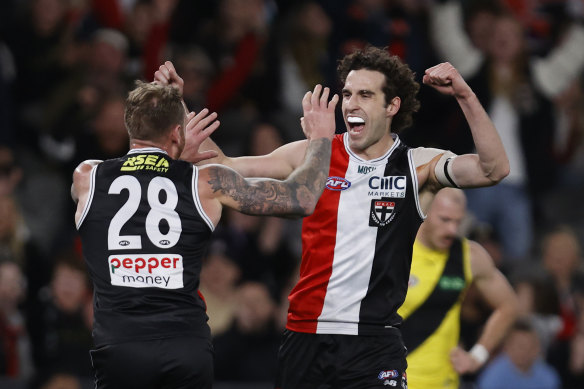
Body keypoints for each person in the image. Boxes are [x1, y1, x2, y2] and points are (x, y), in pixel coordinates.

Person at [157, 44, 509, 388]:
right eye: (348, 93)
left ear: (392, 106)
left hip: (373, 343)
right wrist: (177, 105)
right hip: (305, 336)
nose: (352, 104)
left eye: (366, 95)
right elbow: (221, 166)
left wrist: (464, 95)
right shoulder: (313, 154)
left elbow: (493, 169)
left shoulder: (417, 165)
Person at [71, 77, 338, 389]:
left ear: (129, 126)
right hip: (184, 347)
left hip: (120, 348)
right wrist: (321, 139)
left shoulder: (87, 176)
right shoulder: (205, 182)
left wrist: (174, 154)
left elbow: (145, 181)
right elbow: (301, 199)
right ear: (177, 132)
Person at [397, 188, 519, 389]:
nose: (452, 230)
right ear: (424, 211)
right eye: (445, 220)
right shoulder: (396, 247)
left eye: (458, 222)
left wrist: (477, 355)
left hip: (444, 382)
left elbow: (509, 306)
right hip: (390, 377)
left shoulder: (469, 256)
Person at [477, 318, 561, 389]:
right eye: (520, 346)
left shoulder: (548, 376)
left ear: (538, 349)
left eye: (530, 346)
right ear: (506, 347)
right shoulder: (492, 378)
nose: (525, 351)